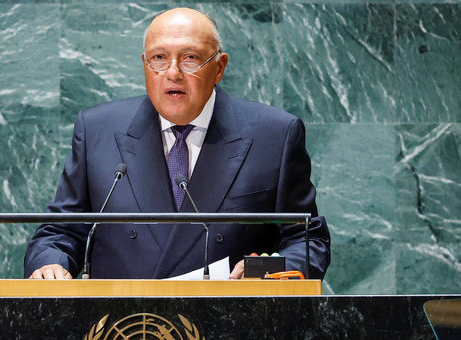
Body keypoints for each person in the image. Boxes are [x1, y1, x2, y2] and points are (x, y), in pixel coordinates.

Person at [24, 7, 330, 280]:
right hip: (121, 333)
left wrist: (263, 273)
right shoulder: (97, 129)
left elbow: (307, 242)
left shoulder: (274, 134)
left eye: (190, 58)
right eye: (159, 58)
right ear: (145, 65)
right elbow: (60, 231)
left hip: (232, 330)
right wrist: (50, 264)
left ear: (219, 67)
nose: (172, 73)